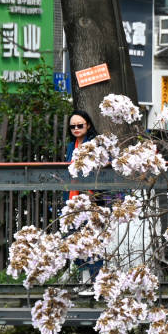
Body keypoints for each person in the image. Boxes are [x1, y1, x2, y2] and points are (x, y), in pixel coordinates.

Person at [64, 110, 101, 282]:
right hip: (72, 198)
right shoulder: (71, 146)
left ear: (88, 125)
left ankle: (96, 279)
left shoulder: (93, 144)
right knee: (74, 238)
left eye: (80, 125)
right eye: (73, 126)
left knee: (91, 240)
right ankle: (83, 276)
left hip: (88, 197)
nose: (76, 129)